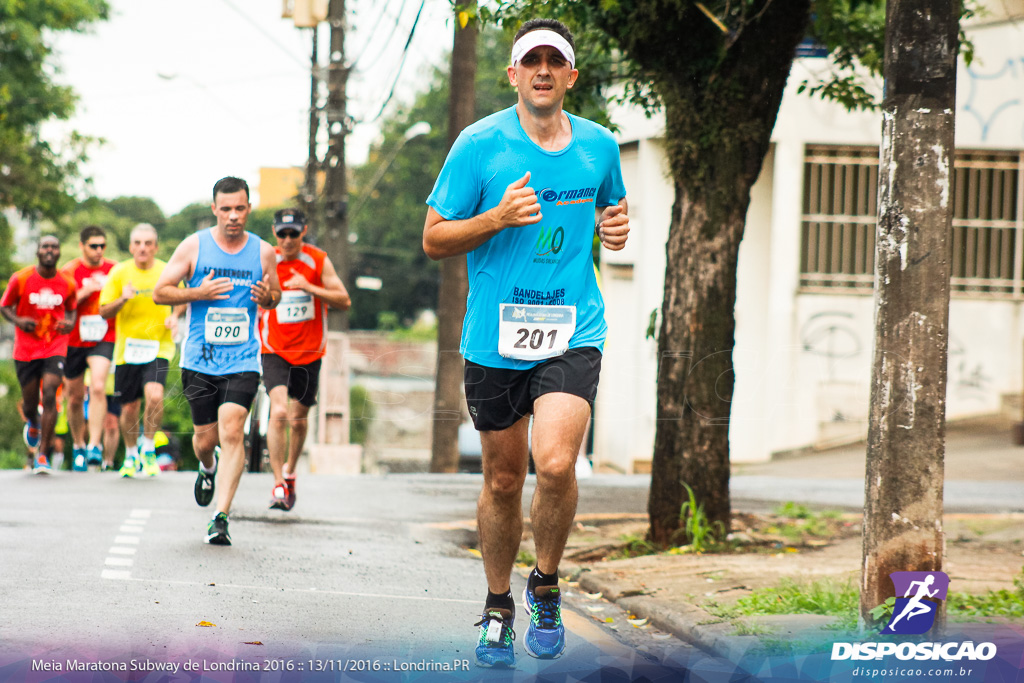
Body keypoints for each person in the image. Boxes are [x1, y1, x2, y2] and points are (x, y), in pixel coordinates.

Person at [422, 19, 629, 667]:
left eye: (554, 61)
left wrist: (616, 229)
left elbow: (611, 212)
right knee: (505, 478)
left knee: (558, 463)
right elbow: (433, 238)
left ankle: (543, 581)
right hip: (494, 336)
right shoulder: (478, 146)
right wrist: (494, 218)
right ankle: (496, 603)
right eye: (530, 60)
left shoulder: (600, 147)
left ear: (572, 75)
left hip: (573, 327)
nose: (542, 70)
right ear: (512, 74)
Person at [154, 176, 280, 546]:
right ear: (214, 209)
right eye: (225, 209)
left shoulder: (263, 251)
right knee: (205, 440)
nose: (233, 216)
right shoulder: (194, 246)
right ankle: (207, 469)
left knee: (232, 429)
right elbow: (161, 292)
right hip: (199, 358)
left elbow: (275, 295)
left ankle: (220, 517)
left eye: (240, 208)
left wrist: (267, 296)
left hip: (243, 359)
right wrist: (199, 292)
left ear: (248, 209)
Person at [259, 208, 350, 511]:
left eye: (293, 234)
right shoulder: (266, 259)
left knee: (298, 421)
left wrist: (308, 286)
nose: (287, 240)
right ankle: (277, 484)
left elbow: (344, 300)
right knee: (280, 412)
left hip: (310, 352)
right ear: (275, 233)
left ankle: (290, 471)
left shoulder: (317, 259)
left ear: (303, 232)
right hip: (274, 349)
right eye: (282, 233)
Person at [99, 224, 179, 478]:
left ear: (155, 247)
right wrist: (122, 299)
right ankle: (131, 454)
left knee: (154, 395)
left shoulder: (167, 270)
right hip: (128, 351)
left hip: (159, 346)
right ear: (131, 246)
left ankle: (148, 448)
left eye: (148, 243)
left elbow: (183, 298)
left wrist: (176, 316)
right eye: (138, 243)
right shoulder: (119, 272)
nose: (143, 248)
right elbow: (103, 311)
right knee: (129, 407)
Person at [1, 236, 77, 474]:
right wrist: (18, 320)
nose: (50, 250)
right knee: (31, 403)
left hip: (54, 344)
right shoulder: (21, 279)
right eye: (45, 246)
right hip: (26, 348)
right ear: (37, 252)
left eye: (54, 246)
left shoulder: (67, 282)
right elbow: (4, 305)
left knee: (50, 393)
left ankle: (43, 454)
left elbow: (73, 307)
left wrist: (70, 322)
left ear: (59, 252)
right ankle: (33, 423)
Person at [61, 225, 117, 471]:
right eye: (94, 246)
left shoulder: (114, 270)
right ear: (82, 246)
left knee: (97, 386)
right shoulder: (70, 270)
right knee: (73, 398)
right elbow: (60, 304)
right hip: (73, 339)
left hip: (104, 335)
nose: (99, 251)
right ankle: (79, 445)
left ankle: (95, 445)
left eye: (102, 246)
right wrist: (86, 290)